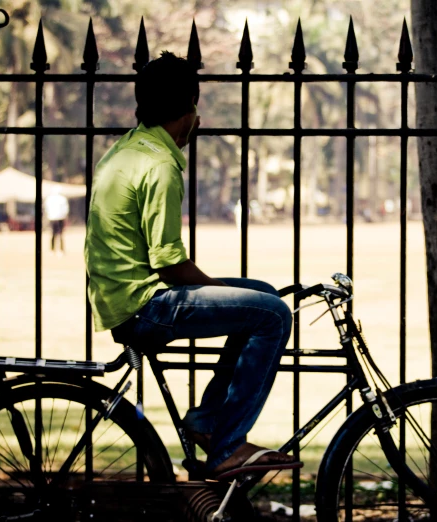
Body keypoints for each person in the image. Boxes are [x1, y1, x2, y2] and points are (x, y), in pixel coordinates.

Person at [84, 51, 300, 481]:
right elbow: (170, 265)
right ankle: (228, 446)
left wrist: (230, 294)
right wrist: (220, 289)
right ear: (191, 109)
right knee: (273, 314)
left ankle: (205, 420)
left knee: (262, 294)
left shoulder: (126, 149)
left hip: (122, 297)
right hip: (145, 306)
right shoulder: (161, 166)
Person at [45, 187, 69, 254]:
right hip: (59, 218)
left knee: (53, 234)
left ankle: (53, 250)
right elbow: (65, 209)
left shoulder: (49, 198)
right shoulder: (62, 199)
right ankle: (60, 250)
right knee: (60, 234)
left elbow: (46, 208)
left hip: (52, 218)